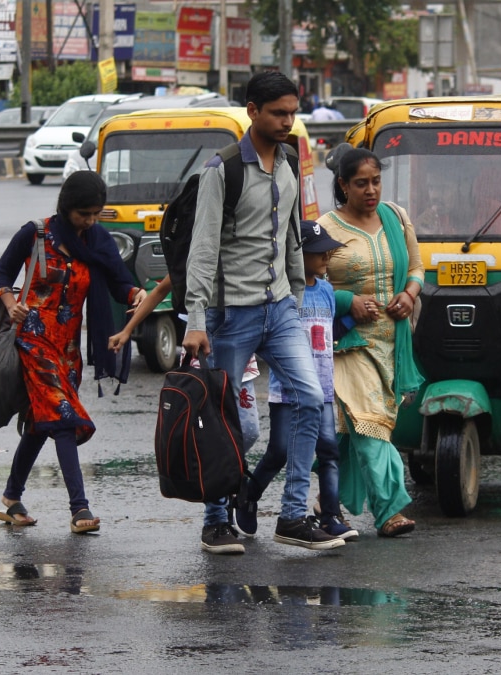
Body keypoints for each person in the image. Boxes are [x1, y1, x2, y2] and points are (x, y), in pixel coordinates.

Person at [182, 70, 342, 553]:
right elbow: (203, 248)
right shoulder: (221, 170)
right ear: (252, 111)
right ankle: (216, 521)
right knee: (224, 417)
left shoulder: (291, 158)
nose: (287, 121)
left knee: (311, 398)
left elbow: (292, 236)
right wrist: (195, 318)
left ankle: (292, 515)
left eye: (293, 112)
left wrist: (295, 293)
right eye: (278, 113)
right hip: (230, 314)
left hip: (280, 308)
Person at [0, 171, 148, 534]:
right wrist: (9, 301)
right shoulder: (36, 233)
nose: (89, 221)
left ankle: (11, 497)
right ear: (66, 208)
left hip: (68, 348)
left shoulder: (98, 240)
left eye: (95, 214)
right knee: (63, 419)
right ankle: (80, 508)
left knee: (39, 423)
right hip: (33, 339)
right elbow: (2, 271)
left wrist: (135, 295)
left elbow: (119, 280)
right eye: (83, 214)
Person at [320, 146, 423, 538]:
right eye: (361, 183)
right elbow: (307, 282)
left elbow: (416, 267)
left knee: (350, 428)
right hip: (348, 340)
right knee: (368, 423)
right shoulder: (326, 228)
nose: (370, 190)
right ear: (343, 185)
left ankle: (328, 500)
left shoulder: (396, 218)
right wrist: (347, 300)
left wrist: (410, 294)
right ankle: (390, 509)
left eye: (376, 181)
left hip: (393, 340)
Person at [233, 221, 358, 542]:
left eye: (327, 250)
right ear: (295, 254)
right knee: (279, 451)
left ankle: (330, 516)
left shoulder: (328, 291)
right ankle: (249, 494)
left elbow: (330, 336)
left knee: (329, 450)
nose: (326, 256)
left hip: (324, 391)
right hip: (287, 391)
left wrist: (352, 317)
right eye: (317, 252)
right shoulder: (283, 293)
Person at [107, 276, 263, 455]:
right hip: (203, 354)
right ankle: (211, 475)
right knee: (207, 430)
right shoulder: (196, 257)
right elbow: (159, 290)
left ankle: (225, 471)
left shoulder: (246, 258)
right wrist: (127, 330)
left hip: (241, 350)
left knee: (249, 430)